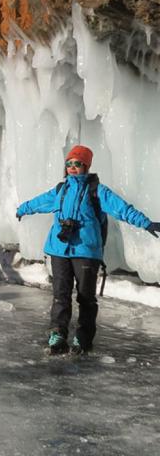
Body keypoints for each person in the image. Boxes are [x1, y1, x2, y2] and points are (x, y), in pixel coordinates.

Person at [16, 144, 160, 355]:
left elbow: (121, 208)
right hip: (59, 251)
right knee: (60, 295)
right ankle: (57, 334)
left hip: (86, 252)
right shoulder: (60, 190)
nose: (72, 167)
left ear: (86, 166)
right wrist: (22, 209)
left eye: (78, 164)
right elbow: (39, 202)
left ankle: (83, 338)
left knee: (86, 298)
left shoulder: (97, 191)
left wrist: (145, 222)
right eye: (69, 164)